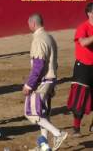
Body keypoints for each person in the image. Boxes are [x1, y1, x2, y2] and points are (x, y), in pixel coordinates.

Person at [23, 14, 67, 151]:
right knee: (43, 113)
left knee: (32, 113)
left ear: (33, 24)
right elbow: (54, 63)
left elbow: (38, 65)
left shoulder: (39, 39)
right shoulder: (49, 37)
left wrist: (29, 84)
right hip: (50, 79)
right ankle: (44, 145)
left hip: (42, 81)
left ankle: (58, 133)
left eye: (28, 24)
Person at [67, 3, 93, 137]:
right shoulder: (83, 27)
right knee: (80, 98)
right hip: (83, 67)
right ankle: (76, 128)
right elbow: (83, 43)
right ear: (89, 13)